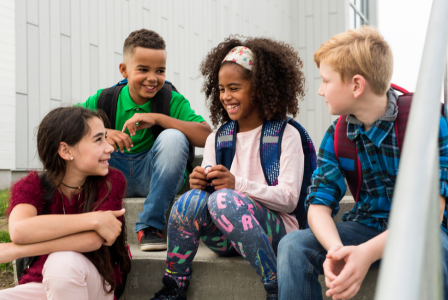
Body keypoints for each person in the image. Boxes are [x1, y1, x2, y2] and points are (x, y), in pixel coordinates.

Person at [277, 26, 448, 300]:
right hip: (365, 226)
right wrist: (338, 251)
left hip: (419, 232)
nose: (320, 90)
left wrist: (366, 254)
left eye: (326, 81)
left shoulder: (426, 120)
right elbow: (317, 206)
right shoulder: (337, 134)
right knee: (293, 245)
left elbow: (431, 213)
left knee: (437, 257)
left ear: (356, 85)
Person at [145, 37, 306, 300]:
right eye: (221, 89)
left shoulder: (285, 135)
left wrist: (236, 185)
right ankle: (174, 287)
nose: (225, 96)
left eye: (234, 88)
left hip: (275, 234)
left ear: (259, 89)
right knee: (189, 201)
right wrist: (200, 183)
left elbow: (289, 200)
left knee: (223, 199)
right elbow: (211, 195)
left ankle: (275, 287)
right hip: (226, 234)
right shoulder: (218, 138)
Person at [77, 29, 212, 251]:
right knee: (85, 137)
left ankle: (150, 225)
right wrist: (103, 132)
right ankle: (87, 221)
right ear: (124, 70)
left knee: (174, 137)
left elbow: (207, 136)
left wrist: (158, 118)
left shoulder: (171, 100)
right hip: (113, 174)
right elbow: (62, 125)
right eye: (143, 69)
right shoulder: (104, 99)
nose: (152, 78)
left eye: (160, 70)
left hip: (155, 175)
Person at [0, 107, 131, 299]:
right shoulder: (32, 185)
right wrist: (93, 219)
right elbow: (20, 230)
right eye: (98, 140)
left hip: (96, 281)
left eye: (105, 137)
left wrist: (17, 250)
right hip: (42, 284)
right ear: (65, 150)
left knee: (63, 262)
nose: (109, 147)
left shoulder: (111, 180)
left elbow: (93, 240)